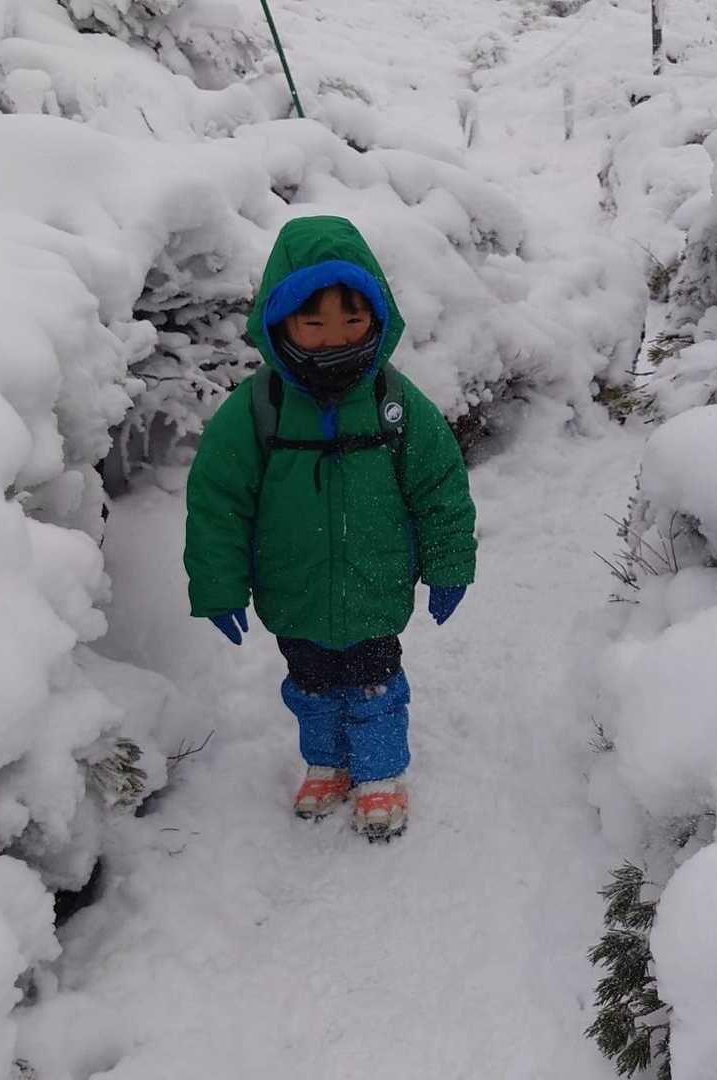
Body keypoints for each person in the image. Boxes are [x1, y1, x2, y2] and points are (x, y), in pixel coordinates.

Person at [184, 215, 476, 843]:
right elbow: (218, 503)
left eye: (352, 320)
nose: (334, 339)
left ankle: (379, 773)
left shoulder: (394, 403)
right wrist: (218, 584)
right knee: (311, 683)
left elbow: (440, 488)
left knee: (374, 681)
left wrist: (449, 564)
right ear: (280, 322)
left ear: (377, 315)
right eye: (313, 324)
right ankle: (328, 762)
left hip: (374, 586)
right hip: (293, 590)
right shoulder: (257, 410)